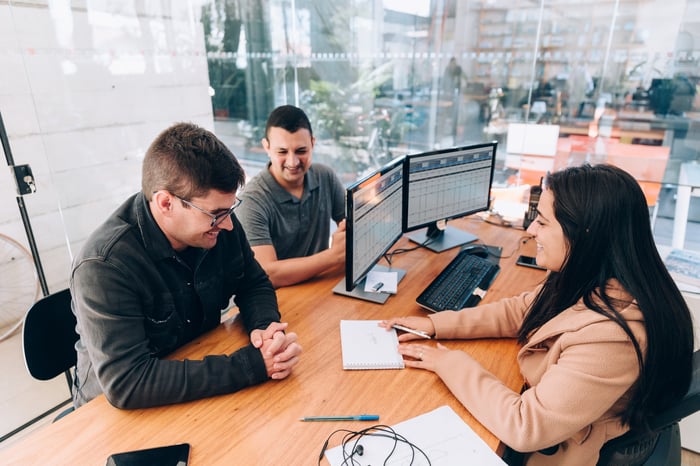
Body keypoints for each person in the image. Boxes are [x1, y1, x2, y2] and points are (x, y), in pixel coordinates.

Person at [381, 164, 694, 465]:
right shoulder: (589, 272)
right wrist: (436, 324)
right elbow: (523, 309)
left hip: (563, 453)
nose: (531, 230)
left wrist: (450, 362)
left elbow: (525, 427)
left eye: (542, 222)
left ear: (583, 234)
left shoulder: (614, 338)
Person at [70, 122, 302, 410]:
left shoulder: (218, 224)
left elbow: (253, 283)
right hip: (110, 413)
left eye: (230, 210)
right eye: (216, 214)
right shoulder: (105, 266)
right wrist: (252, 365)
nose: (228, 223)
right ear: (166, 203)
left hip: (193, 375)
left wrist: (267, 330)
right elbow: (128, 382)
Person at [236, 105, 346, 288]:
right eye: (282, 152)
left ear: (313, 143)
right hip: (277, 299)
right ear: (267, 147)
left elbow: (354, 227)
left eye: (301, 151)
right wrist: (333, 256)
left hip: (318, 285)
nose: (293, 162)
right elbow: (268, 274)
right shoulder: (251, 201)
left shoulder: (325, 176)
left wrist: (349, 230)